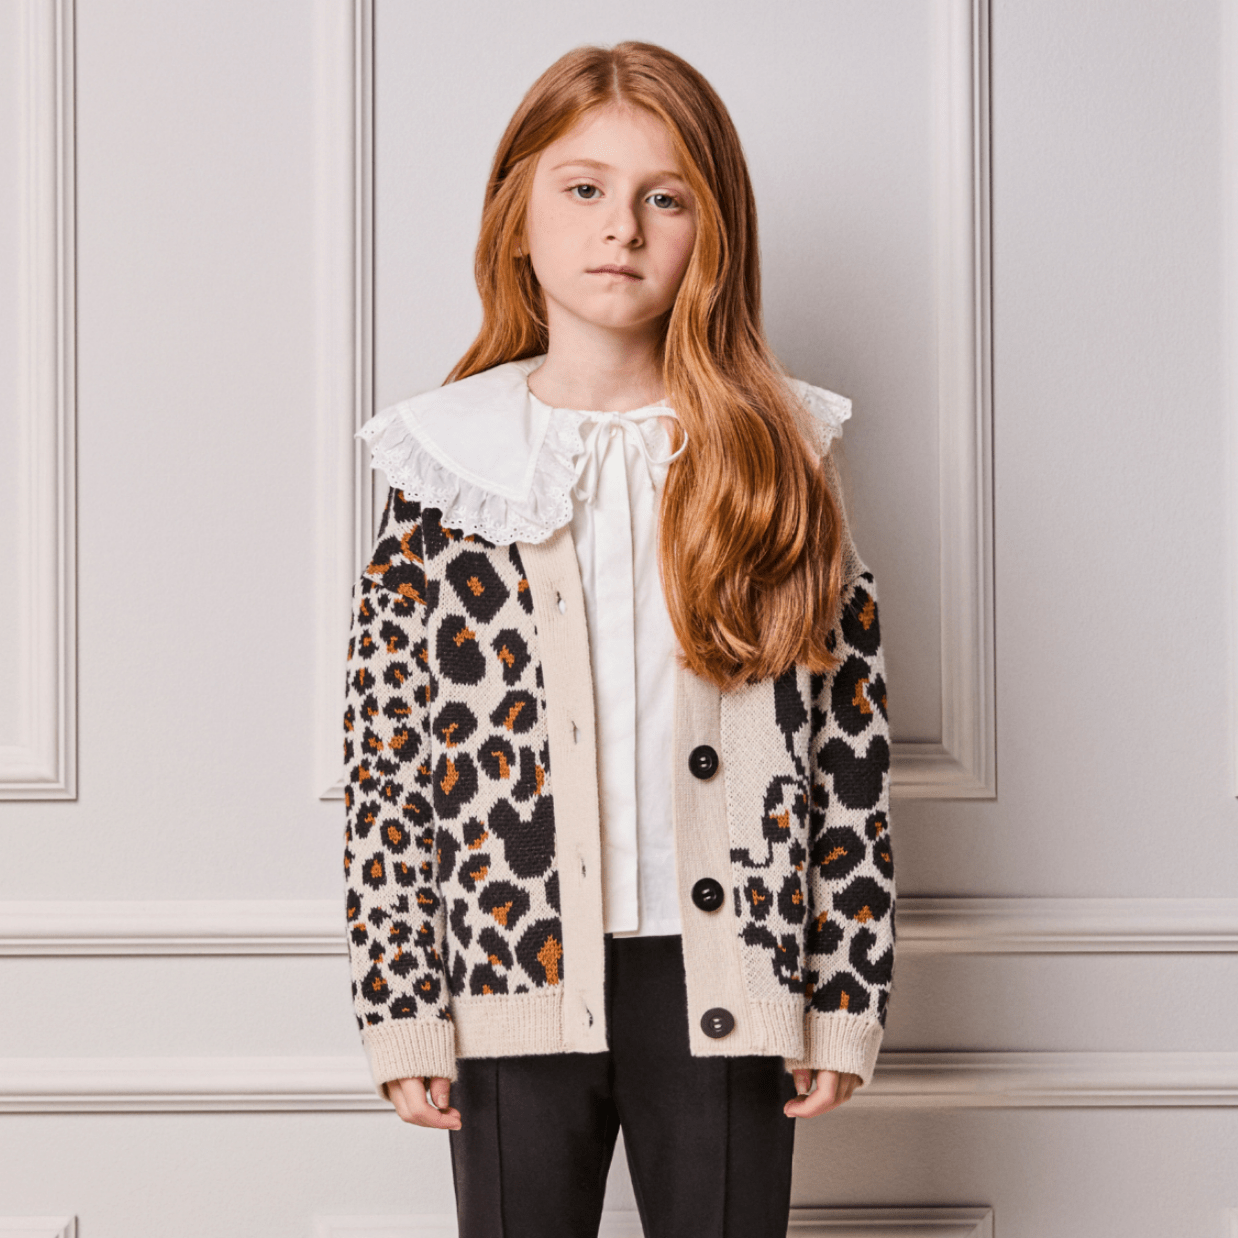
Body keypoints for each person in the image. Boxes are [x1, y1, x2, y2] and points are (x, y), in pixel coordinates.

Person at [342, 40, 895, 1238]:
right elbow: (387, 762)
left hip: (727, 974)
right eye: (583, 188)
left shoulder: (779, 459)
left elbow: (847, 749)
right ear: (517, 214)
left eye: (665, 198)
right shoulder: (444, 465)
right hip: (510, 973)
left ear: (713, 229)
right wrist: (400, 1004)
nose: (620, 228)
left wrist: (842, 993)